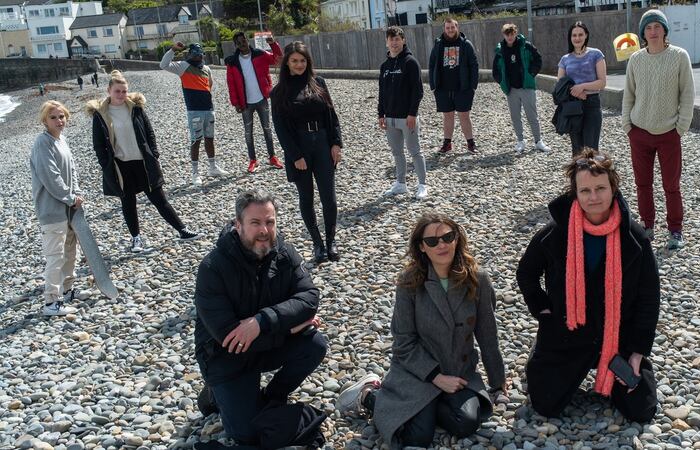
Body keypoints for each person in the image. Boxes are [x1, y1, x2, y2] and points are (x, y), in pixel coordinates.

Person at [336, 213, 507, 449]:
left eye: (448, 237)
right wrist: (436, 378)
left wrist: (498, 384)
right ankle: (369, 394)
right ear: (422, 247)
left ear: (457, 239)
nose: (442, 244)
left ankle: (419, 408)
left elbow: (488, 336)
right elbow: (403, 342)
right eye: (432, 241)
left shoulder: (478, 279)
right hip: (417, 373)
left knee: (466, 423)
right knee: (417, 437)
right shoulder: (410, 282)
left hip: (458, 373)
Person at [517, 149, 660, 423]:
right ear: (575, 193)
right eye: (585, 191)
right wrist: (544, 312)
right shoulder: (554, 234)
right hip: (567, 334)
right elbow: (526, 274)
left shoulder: (635, 239)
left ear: (613, 188)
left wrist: (637, 353)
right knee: (545, 404)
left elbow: (649, 297)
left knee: (642, 410)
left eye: (600, 188)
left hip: (618, 337)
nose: (593, 197)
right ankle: (541, 350)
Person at [194, 190, 327, 445]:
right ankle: (214, 395)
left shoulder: (285, 253)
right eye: (255, 223)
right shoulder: (213, 267)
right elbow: (228, 337)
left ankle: (272, 396)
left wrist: (262, 321)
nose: (264, 230)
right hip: (226, 357)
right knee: (244, 434)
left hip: (263, 342)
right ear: (238, 225)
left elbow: (309, 297)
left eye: (269, 222)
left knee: (314, 344)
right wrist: (288, 330)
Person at [87, 70, 200, 253]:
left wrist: (154, 153)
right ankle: (136, 240)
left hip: (143, 163)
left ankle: (182, 230)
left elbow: (149, 132)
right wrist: (105, 164)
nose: (121, 95)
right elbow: (98, 145)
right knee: (128, 203)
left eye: (124, 91)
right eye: (117, 91)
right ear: (109, 90)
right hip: (120, 166)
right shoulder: (100, 115)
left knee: (159, 198)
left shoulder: (136, 108)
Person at [622, 9, 694, 251]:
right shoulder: (636, 59)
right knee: (643, 183)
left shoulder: (679, 56)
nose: (653, 32)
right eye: (648, 28)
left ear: (665, 30)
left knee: (671, 185)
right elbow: (628, 94)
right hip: (639, 132)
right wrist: (627, 126)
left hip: (668, 133)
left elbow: (687, 94)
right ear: (643, 33)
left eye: (657, 26)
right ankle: (647, 225)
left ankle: (675, 229)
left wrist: (680, 127)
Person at [271, 41, 342, 264]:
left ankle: (331, 241)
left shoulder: (318, 83)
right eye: (294, 61)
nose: (299, 64)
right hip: (299, 147)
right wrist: (295, 156)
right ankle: (317, 244)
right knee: (306, 198)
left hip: (322, 143)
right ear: (287, 63)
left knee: (328, 198)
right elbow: (280, 128)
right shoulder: (279, 92)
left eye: (302, 60)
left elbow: (332, 116)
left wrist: (336, 144)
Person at [30, 101, 84, 316]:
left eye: (61, 116)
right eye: (53, 117)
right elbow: (50, 177)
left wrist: (77, 194)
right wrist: (70, 197)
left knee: (71, 252)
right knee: (55, 256)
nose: (59, 120)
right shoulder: (42, 143)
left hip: (70, 209)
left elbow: (72, 170)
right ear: (44, 120)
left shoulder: (61, 140)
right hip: (52, 211)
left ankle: (67, 290)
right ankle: (51, 302)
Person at [160, 41, 228, 185]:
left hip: (208, 108)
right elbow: (163, 65)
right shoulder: (183, 66)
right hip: (194, 110)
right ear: (190, 54)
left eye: (200, 54)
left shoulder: (207, 68)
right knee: (196, 140)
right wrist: (173, 50)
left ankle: (212, 167)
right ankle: (195, 173)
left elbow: (209, 84)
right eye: (195, 54)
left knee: (210, 138)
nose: (198, 57)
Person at [225, 31, 285, 173]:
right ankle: (253, 160)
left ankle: (272, 157)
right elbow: (231, 83)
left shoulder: (260, 54)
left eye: (243, 41)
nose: (242, 45)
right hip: (245, 103)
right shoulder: (232, 62)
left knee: (267, 129)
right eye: (238, 43)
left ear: (247, 40)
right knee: (248, 133)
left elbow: (278, 59)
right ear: (236, 45)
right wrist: (236, 103)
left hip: (261, 99)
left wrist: (273, 44)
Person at [379, 26, 427, 200]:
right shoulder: (384, 66)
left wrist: (412, 114)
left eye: (397, 39)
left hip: (408, 118)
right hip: (390, 118)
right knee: (397, 152)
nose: (394, 42)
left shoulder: (410, 62)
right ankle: (401, 184)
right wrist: (381, 114)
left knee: (415, 151)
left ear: (403, 40)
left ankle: (422, 185)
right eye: (391, 39)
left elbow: (418, 91)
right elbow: (381, 92)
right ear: (387, 42)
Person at [492, 23, 550, 154]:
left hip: (526, 86)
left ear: (516, 33)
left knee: (532, 115)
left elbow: (538, 59)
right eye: (507, 34)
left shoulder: (526, 46)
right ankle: (520, 141)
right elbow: (495, 69)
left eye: (512, 33)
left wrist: (531, 73)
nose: (510, 36)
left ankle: (538, 141)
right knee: (515, 116)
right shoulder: (500, 50)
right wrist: (501, 81)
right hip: (511, 89)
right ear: (504, 35)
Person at [428, 18, 479, 153]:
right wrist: (433, 85)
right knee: (447, 116)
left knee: (464, 116)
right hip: (443, 88)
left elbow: (474, 65)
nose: (450, 30)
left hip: (463, 88)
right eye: (447, 27)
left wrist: (473, 86)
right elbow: (432, 64)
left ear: (457, 27)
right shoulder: (438, 45)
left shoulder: (466, 44)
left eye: (452, 27)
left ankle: (470, 143)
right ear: (444, 29)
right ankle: (447, 143)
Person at [557, 21, 607, 154]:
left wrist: (582, 87)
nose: (577, 38)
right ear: (570, 37)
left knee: (591, 149)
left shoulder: (596, 54)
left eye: (580, 34)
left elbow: (602, 83)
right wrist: (576, 93)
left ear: (586, 36)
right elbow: (560, 87)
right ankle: (577, 175)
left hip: (592, 104)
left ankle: (592, 175)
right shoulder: (565, 59)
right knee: (577, 149)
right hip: (573, 106)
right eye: (574, 35)